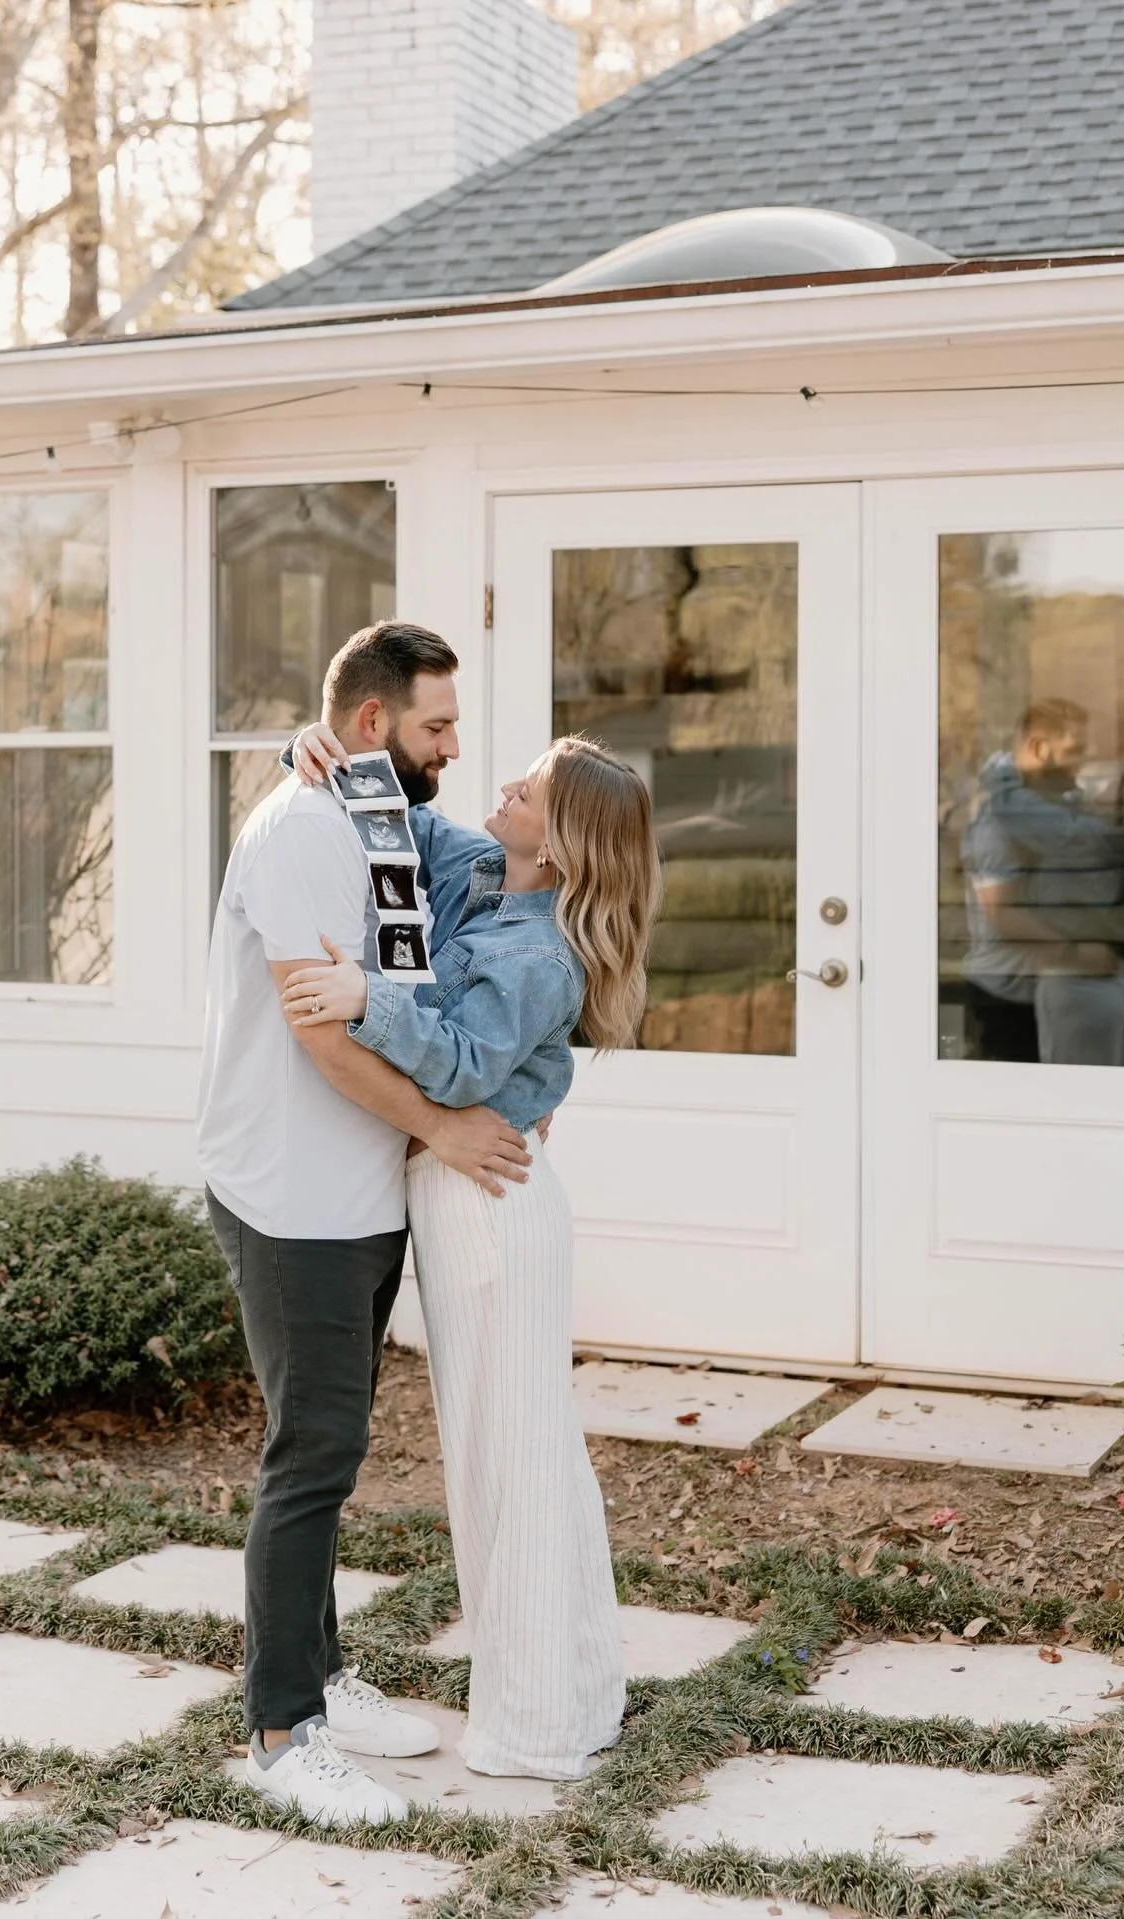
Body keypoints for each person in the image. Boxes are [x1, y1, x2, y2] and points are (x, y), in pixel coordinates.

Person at [197, 621, 537, 1830]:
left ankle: (326, 1685)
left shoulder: (377, 809)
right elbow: (319, 1029)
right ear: (379, 723)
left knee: (333, 1450)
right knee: (312, 1454)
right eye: (439, 724)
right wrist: (443, 1130)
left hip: (357, 1187)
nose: (456, 744)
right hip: (290, 1191)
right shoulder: (299, 833)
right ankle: (283, 1730)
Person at [283, 722, 663, 1780]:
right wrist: (320, 753)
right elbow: (404, 828)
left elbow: (459, 1066)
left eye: (530, 790)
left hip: (491, 1206)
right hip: (468, 1198)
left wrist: (368, 996)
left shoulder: (540, 950)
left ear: (564, 845)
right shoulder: (484, 872)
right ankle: (569, 1694)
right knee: (511, 1451)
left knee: (517, 1460)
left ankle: (538, 1721)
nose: (503, 785)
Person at [962, 699, 1124, 1067]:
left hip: (1055, 988)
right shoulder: (998, 823)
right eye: (1075, 750)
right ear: (1040, 749)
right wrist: (1080, 954)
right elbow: (1001, 913)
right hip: (1010, 997)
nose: (1083, 762)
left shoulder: (1057, 807)